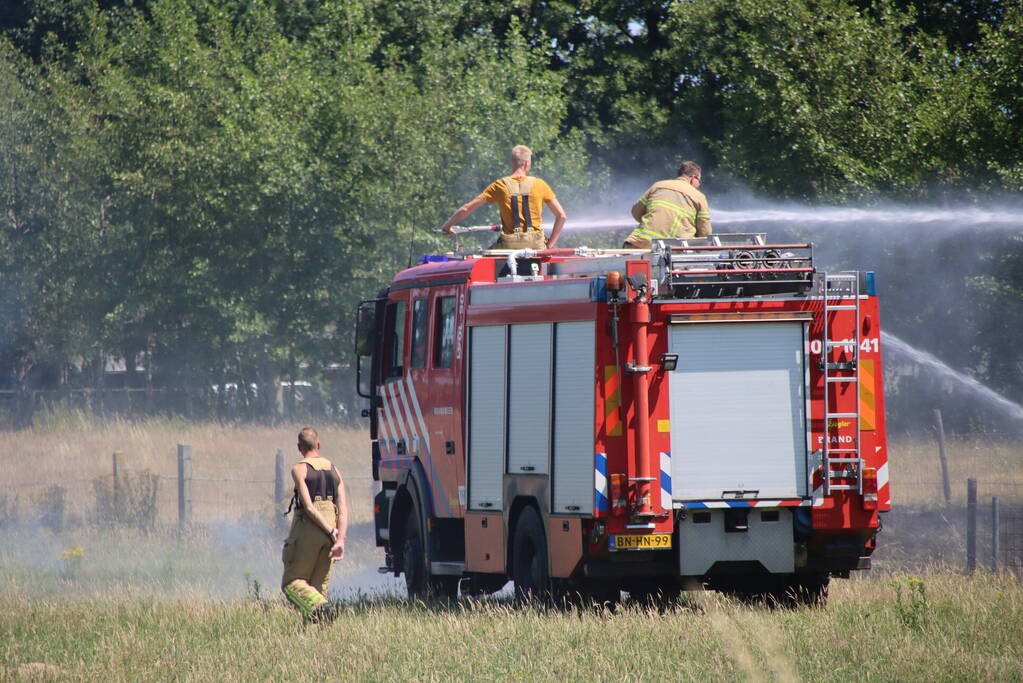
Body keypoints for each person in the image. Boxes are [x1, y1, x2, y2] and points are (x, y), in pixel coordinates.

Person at [440, 145, 567, 249]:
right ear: (527, 163)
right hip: (537, 245)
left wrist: (447, 226)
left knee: (484, 256)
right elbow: (561, 216)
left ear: (511, 162)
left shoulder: (500, 185)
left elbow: (466, 209)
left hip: (510, 245)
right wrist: (549, 245)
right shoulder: (540, 184)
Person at [281, 427, 348, 622]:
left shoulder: (299, 469)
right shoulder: (335, 470)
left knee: (292, 583)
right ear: (318, 445)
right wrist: (339, 538)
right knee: (318, 589)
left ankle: (323, 609)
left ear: (299, 447)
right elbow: (342, 508)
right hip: (332, 534)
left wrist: (327, 530)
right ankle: (318, 631)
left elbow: (309, 508)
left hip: (309, 529)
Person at [623, 161, 712, 248]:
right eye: (699, 181)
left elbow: (636, 212)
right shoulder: (699, 196)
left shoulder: (658, 185)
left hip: (639, 244)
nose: (699, 185)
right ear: (693, 178)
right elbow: (705, 232)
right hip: (675, 250)